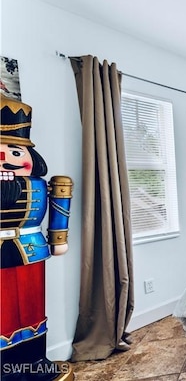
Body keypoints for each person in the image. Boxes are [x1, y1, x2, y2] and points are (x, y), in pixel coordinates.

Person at [0, 95, 73, 380]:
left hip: (30, 249)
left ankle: (33, 360)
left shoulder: (40, 186)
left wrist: (58, 238)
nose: (5, 158)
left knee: (32, 308)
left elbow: (58, 208)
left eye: (16, 152)